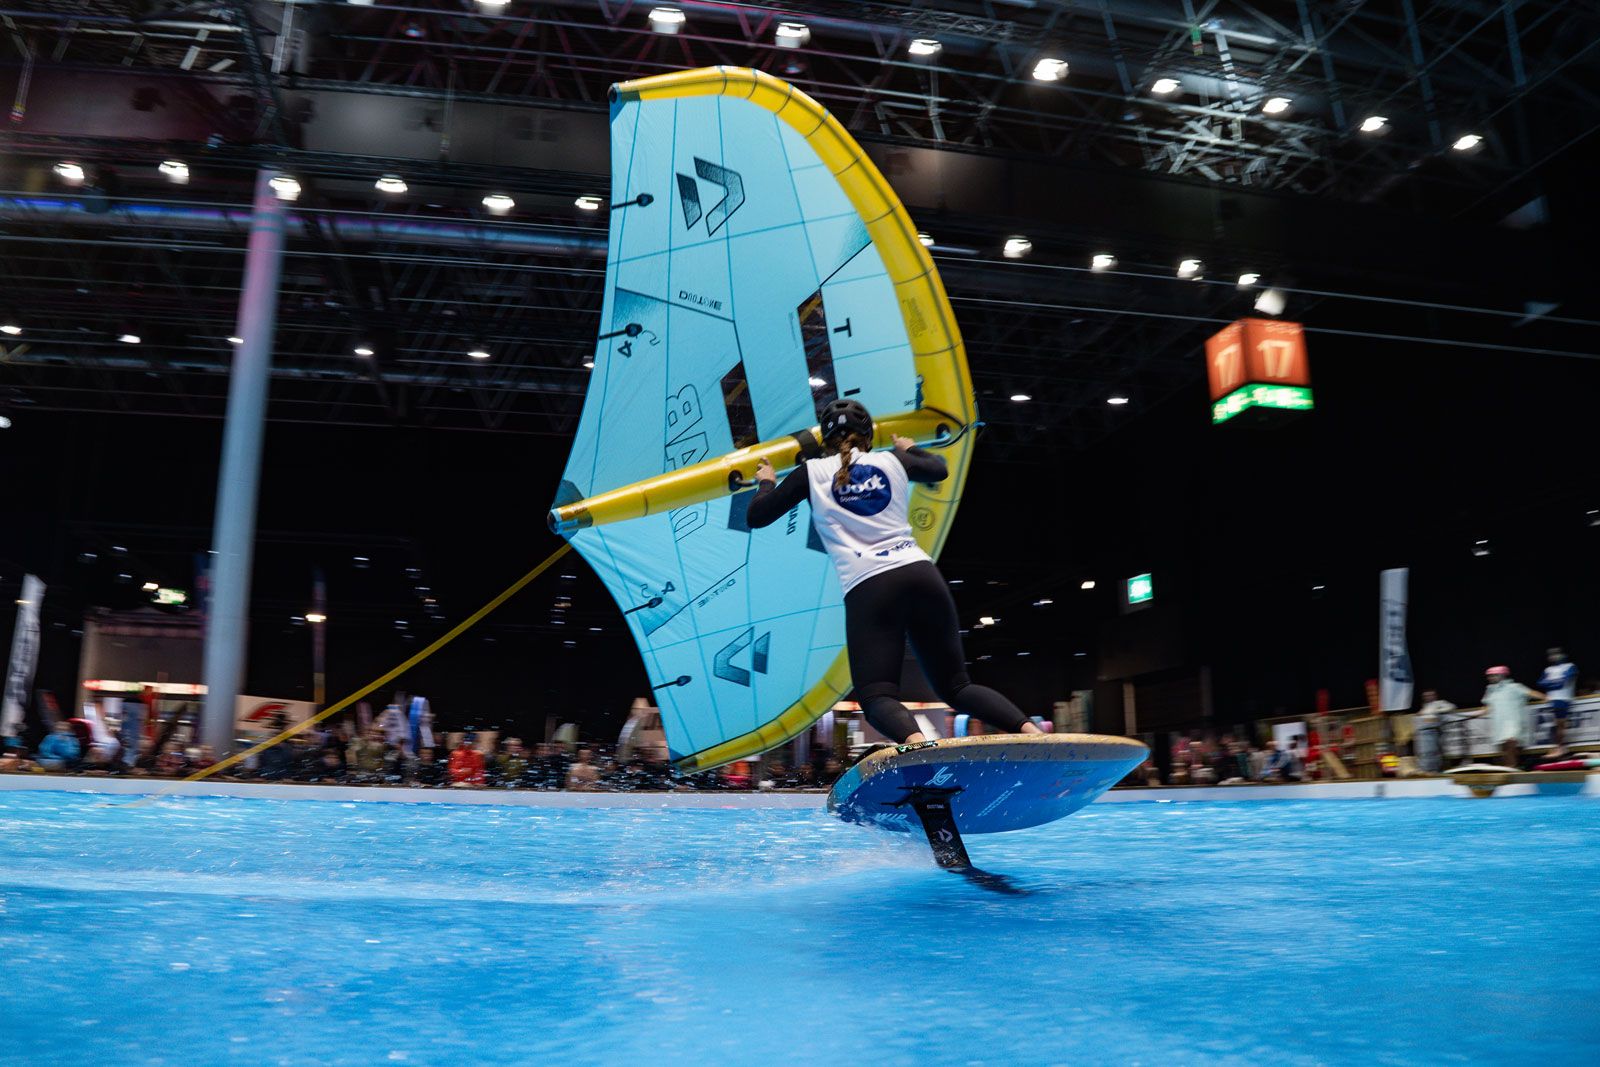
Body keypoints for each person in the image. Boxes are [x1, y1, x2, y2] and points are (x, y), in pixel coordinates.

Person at [745, 398, 1041, 746]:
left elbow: (757, 516)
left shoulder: (810, 473)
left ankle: (917, 746)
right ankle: (1035, 734)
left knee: (877, 696)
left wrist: (766, 482)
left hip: (871, 586)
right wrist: (909, 447)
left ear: (826, 439)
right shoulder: (893, 460)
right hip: (921, 574)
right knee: (958, 686)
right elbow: (938, 469)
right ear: (868, 436)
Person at [1478, 666, 1538, 769]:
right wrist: (1477, 713)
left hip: (1514, 720)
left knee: (1511, 741)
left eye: (1494, 675)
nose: (1490, 678)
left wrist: (1548, 698)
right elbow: (1487, 707)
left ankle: (1511, 766)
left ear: (1502, 675)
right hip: (1499, 722)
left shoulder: (1515, 687)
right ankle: (1511, 766)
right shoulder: (1490, 690)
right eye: (1489, 676)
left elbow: (1532, 693)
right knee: (1505, 747)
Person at [1538, 647, 1578, 756]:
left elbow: (1563, 683)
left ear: (1563, 655)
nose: (1553, 657)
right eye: (1551, 655)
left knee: (1560, 725)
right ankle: (1560, 747)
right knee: (1556, 725)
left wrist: (1550, 683)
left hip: (1563, 698)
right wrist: (1556, 682)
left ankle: (1560, 747)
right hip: (1551, 699)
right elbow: (1540, 683)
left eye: (1556, 654)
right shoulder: (1548, 669)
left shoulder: (1570, 666)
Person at [1415, 689, 1455, 773]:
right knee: (1425, 753)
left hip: (1434, 732)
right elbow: (1421, 717)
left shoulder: (1439, 703)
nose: (1428, 697)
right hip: (1423, 733)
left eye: (1430, 695)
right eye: (1426, 696)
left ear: (1435, 696)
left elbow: (1451, 707)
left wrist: (1436, 712)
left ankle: (1435, 770)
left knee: (1435, 752)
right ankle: (1426, 770)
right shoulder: (1424, 706)